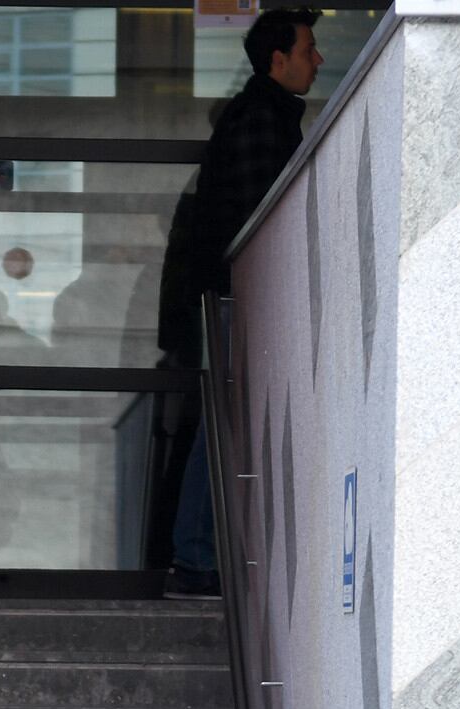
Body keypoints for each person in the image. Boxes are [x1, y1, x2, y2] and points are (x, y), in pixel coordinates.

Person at [161, 9, 324, 600]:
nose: (319, 59)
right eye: (308, 49)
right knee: (225, 429)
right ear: (277, 61)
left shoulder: (261, 115)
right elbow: (263, 225)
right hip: (241, 298)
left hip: (235, 297)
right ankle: (197, 560)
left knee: (226, 428)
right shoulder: (262, 120)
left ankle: (202, 558)